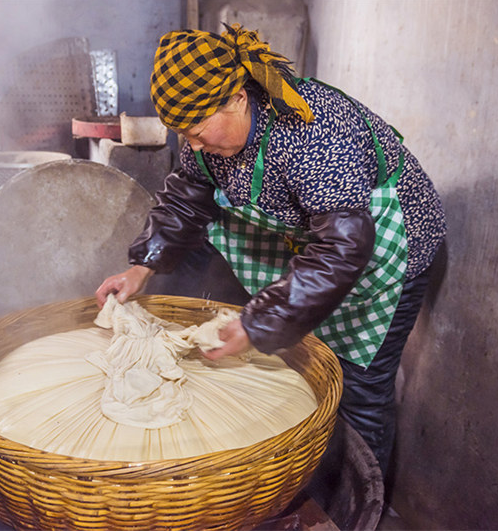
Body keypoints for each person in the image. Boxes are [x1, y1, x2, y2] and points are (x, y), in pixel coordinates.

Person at [95, 24, 446, 479]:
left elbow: (340, 249)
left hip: (383, 248)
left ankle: (361, 498)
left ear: (239, 98)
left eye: (198, 131)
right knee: (301, 359)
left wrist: (258, 321)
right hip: (316, 240)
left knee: (360, 387)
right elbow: (188, 193)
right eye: (185, 135)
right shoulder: (205, 134)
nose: (194, 145)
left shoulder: (312, 135)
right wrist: (143, 266)